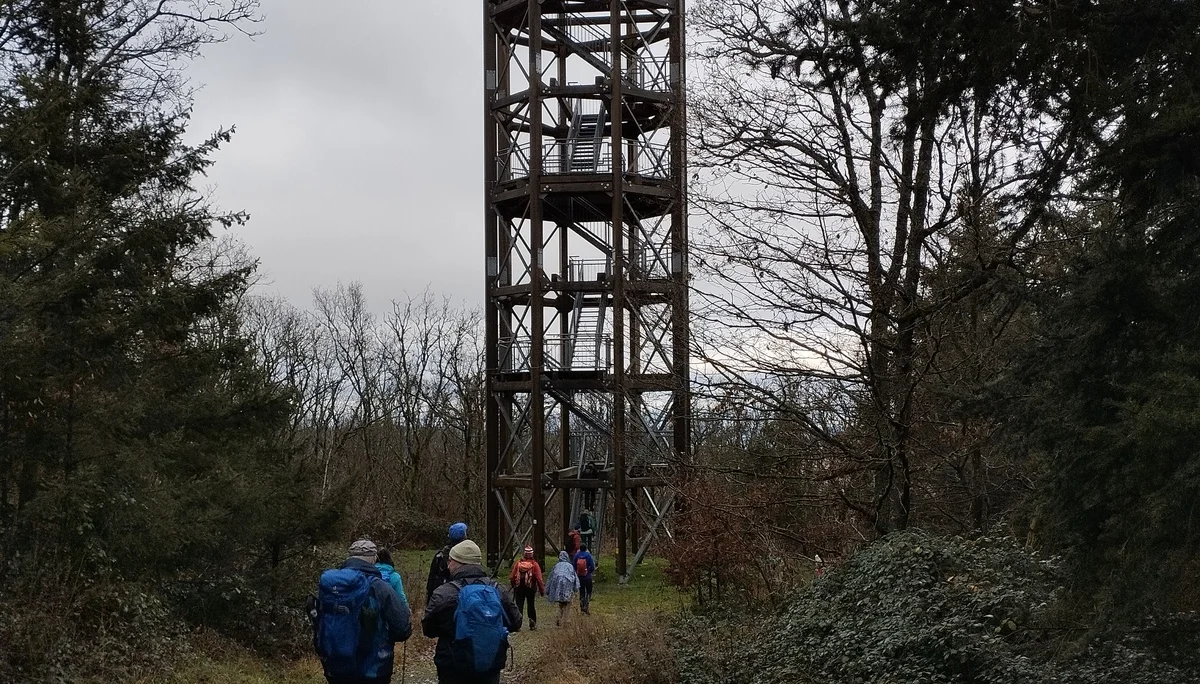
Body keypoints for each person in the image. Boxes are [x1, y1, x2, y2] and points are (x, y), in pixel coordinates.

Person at [312, 539, 412, 684]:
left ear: (349, 557)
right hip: (373, 671)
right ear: (374, 559)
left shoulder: (332, 586)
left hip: (336, 668)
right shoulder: (379, 587)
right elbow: (403, 629)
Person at [422, 540, 522, 684]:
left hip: (452, 665)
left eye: (451, 560)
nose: (448, 565)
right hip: (490, 663)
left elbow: (428, 629)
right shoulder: (498, 590)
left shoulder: (443, 593)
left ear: (459, 563)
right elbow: (516, 622)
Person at [427, 521, 468, 603]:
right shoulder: (468, 555)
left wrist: (429, 602)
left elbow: (431, 581)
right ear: (464, 537)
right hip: (463, 597)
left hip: (442, 597)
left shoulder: (440, 555)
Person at [508, 545, 545, 630]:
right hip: (530, 587)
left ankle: (518, 624)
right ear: (532, 554)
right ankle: (532, 623)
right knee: (531, 605)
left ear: (524, 554)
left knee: (519, 605)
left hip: (519, 587)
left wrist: (513, 584)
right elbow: (539, 579)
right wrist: (542, 590)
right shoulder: (534, 565)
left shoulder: (518, 563)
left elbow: (513, 576)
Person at [544, 550, 579, 627]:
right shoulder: (570, 566)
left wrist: (547, 590)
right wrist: (576, 588)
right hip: (567, 586)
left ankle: (558, 617)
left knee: (560, 603)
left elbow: (551, 578)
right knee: (567, 603)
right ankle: (565, 621)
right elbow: (575, 578)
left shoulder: (556, 566)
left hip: (558, 588)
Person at [572, 543, 596, 615]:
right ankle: (586, 605)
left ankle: (582, 605)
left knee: (581, 591)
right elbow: (592, 567)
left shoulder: (576, 555)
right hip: (587, 577)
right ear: (586, 549)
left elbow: (574, 566)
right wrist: (588, 572)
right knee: (589, 591)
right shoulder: (588, 555)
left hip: (579, 577)